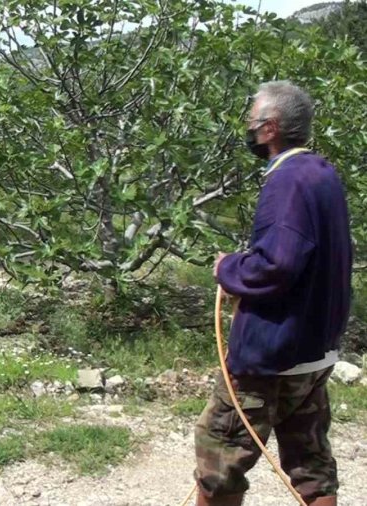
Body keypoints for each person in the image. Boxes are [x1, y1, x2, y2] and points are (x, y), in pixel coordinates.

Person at [195, 81, 352, 506]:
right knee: (311, 463)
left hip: (272, 353)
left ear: (270, 129)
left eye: (252, 123)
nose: (248, 130)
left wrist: (228, 267)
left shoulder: (287, 181)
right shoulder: (322, 173)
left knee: (219, 459)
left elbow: (278, 264)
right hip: (314, 349)